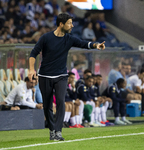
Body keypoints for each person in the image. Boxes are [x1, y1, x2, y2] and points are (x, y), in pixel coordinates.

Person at [28, 13, 105, 141]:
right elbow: (33, 53)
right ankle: (52, 130)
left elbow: (84, 43)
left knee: (60, 101)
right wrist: (31, 69)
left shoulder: (69, 39)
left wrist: (96, 45)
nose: (72, 25)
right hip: (45, 75)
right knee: (47, 105)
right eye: (69, 23)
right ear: (61, 24)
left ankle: (58, 131)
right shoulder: (46, 37)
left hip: (61, 75)